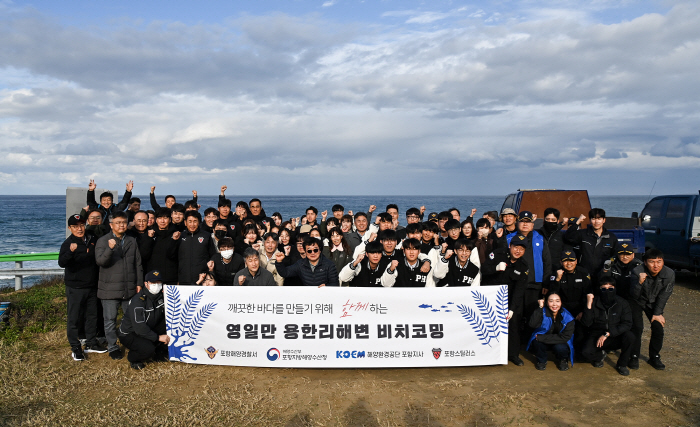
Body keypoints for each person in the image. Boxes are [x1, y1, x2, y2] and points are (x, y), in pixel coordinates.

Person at [94, 211, 143, 360]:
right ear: (111, 225)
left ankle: (130, 342)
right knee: (110, 319)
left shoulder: (131, 240)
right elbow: (100, 262)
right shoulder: (103, 241)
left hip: (129, 287)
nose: (121, 225)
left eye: (124, 222)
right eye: (118, 222)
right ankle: (113, 346)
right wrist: (110, 249)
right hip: (109, 288)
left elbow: (138, 263)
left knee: (129, 319)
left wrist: (139, 283)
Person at [59, 214, 107, 361]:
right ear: (70, 228)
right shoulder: (68, 243)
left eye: (81, 225)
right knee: (74, 318)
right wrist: (71, 252)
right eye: (75, 226)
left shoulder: (92, 238)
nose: (79, 229)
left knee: (92, 316)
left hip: (92, 285)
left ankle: (91, 343)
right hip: (75, 287)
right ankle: (75, 347)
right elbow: (62, 262)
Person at [481, 235, 530, 366]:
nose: (518, 251)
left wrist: (512, 309)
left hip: (509, 299)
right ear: (510, 246)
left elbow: (520, 290)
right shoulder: (497, 254)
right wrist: (495, 269)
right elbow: (483, 270)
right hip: (490, 297)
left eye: (521, 248)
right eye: (516, 247)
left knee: (514, 325)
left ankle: (513, 355)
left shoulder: (523, 266)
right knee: (487, 325)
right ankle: (487, 353)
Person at [628, 249, 674, 370]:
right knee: (637, 328)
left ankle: (654, 357)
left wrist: (657, 313)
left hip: (653, 303)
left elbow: (664, 295)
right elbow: (633, 295)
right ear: (645, 262)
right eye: (652, 262)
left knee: (658, 327)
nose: (656, 265)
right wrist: (639, 283)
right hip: (637, 301)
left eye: (659, 261)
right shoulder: (637, 271)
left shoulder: (669, 274)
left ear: (663, 262)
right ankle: (633, 356)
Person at [580, 277, 635, 376]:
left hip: (615, 334)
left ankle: (622, 365)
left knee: (630, 336)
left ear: (615, 289)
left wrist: (609, 333)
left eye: (610, 288)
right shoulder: (594, 302)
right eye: (603, 289)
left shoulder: (622, 303)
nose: (607, 291)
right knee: (585, 353)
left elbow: (627, 323)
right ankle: (599, 356)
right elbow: (586, 323)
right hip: (597, 334)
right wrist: (588, 304)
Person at [117, 270, 169, 370]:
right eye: (153, 283)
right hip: (130, 333)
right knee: (147, 349)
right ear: (146, 284)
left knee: (169, 324)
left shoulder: (161, 297)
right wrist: (158, 337)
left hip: (148, 326)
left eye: (159, 283)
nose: (156, 285)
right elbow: (139, 328)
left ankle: (159, 352)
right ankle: (134, 358)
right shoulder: (138, 301)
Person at [507, 211, 552, 316]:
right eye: (522, 221)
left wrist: (546, 283)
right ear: (517, 223)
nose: (525, 224)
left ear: (532, 225)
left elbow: (547, 262)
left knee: (533, 315)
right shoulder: (509, 238)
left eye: (528, 222)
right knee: (515, 316)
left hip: (535, 285)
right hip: (515, 284)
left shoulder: (540, 239)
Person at [548, 250, 591, 354]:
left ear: (576, 261)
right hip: (562, 311)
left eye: (571, 260)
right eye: (565, 261)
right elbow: (552, 295)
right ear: (560, 262)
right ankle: (562, 355)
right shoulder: (555, 274)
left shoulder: (583, 273)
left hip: (579, 309)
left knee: (582, 332)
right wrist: (557, 280)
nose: (569, 263)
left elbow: (588, 294)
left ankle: (580, 353)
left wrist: (583, 311)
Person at [526, 291, 575, 371]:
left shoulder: (568, 317)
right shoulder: (542, 312)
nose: (554, 304)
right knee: (537, 343)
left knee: (561, 347)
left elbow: (565, 337)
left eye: (557, 301)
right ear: (546, 302)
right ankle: (541, 361)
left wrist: (543, 338)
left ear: (561, 302)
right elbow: (532, 324)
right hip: (543, 339)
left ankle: (562, 360)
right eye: (551, 301)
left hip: (559, 341)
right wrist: (540, 308)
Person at [565, 208, 618, 277]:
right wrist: (578, 222)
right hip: (584, 274)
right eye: (593, 219)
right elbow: (568, 237)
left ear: (604, 220)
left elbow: (616, 255)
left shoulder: (611, 237)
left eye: (599, 219)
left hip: (602, 275)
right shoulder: (582, 234)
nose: (596, 222)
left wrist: (608, 267)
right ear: (590, 220)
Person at [380, 238, 447, 288]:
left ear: (419, 251)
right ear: (404, 251)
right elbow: (386, 285)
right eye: (408, 249)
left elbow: (430, 288)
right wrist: (391, 270)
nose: (411, 252)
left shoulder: (426, 267)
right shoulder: (396, 264)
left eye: (414, 249)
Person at [177, 211, 216, 285]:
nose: (192, 224)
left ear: (199, 222)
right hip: (184, 278)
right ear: (185, 222)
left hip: (202, 278)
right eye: (190, 221)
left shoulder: (206, 236)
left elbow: (212, 255)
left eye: (195, 221)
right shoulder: (180, 236)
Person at [146, 208, 180, 286]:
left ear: (170, 220)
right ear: (156, 220)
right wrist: (148, 238)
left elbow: (175, 256)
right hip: (153, 278)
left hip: (171, 279)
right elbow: (144, 255)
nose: (162, 221)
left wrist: (174, 240)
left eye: (165, 218)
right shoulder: (150, 234)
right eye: (160, 218)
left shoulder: (176, 235)